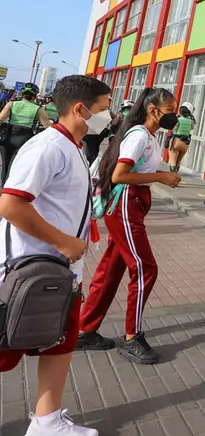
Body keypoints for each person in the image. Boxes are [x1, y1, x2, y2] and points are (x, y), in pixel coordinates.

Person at [0, 76, 110, 436]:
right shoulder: (47, 147)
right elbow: (11, 204)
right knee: (7, 348)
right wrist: (63, 240)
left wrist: (80, 232)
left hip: (59, 274)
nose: (107, 116)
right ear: (81, 109)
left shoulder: (75, 146)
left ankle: (46, 422)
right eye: (104, 109)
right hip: (28, 272)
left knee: (60, 343)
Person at [76, 88, 182, 365]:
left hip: (132, 203)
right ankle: (132, 336)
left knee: (111, 268)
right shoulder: (138, 136)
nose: (175, 114)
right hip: (126, 203)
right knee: (145, 268)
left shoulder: (148, 136)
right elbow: (121, 175)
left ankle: (85, 329)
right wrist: (160, 176)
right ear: (153, 110)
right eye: (171, 109)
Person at [0, 83, 51, 185]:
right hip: (25, 139)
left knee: (5, 163)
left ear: (22, 94)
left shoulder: (12, 104)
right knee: (17, 164)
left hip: (9, 136)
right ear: (35, 96)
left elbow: (1, 119)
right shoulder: (38, 108)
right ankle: (9, 186)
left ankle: (3, 186)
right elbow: (47, 126)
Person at [168, 102, 196, 173]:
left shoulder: (178, 120)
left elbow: (173, 129)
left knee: (173, 160)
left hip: (176, 141)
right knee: (178, 161)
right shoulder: (191, 121)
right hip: (185, 143)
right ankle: (176, 172)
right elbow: (192, 128)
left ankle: (172, 175)